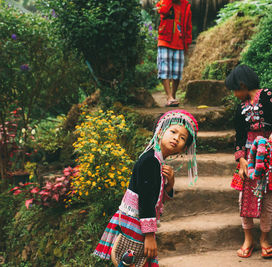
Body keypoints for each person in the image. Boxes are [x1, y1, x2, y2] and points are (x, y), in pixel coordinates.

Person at [93, 109, 198, 266]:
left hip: (137, 221)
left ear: (184, 148)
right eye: (173, 131)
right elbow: (146, 200)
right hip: (135, 223)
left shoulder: (156, 160)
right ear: (160, 131)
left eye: (182, 138)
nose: (176, 138)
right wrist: (149, 235)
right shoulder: (151, 161)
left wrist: (170, 184)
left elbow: (154, 195)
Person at [225, 64, 272, 259]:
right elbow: (239, 135)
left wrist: (270, 140)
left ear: (243, 84)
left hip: (269, 154)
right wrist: (242, 160)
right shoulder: (240, 108)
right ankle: (248, 238)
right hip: (249, 156)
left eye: (235, 90)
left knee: (267, 200)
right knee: (243, 198)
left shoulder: (269, 96)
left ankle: (265, 239)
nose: (235, 94)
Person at [156, 0, 192, 107]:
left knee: (177, 71)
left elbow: (188, 26)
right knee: (165, 69)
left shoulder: (185, 5)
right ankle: (169, 96)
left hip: (180, 42)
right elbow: (163, 10)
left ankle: (173, 95)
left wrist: (187, 43)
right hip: (165, 40)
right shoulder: (163, 2)